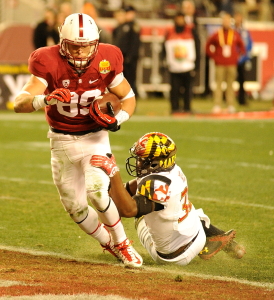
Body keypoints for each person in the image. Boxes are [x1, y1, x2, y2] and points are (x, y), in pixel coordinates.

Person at [13, 13, 142, 268]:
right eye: (75, 46)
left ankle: (123, 243)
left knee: (96, 191)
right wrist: (44, 100)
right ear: (62, 42)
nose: (82, 52)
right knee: (75, 208)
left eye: (86, 46)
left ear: (96, 42)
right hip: (61, 141)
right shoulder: (46, 59)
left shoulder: (108, 56)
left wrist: (119, 120)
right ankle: (108, 242)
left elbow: (128, 97)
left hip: (95, 137)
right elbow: (19, 103)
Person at [90, 132, 246, 265]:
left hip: (173, 257)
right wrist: (112, 184)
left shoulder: (156, 184)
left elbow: (127, 209)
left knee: (139, 215)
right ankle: (216, 240)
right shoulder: (173, 170)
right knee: (183, 210)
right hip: (196, 235)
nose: (138, 162)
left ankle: (120, 246)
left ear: (156, 162)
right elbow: (126, 190)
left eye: (142, 159)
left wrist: (113, 173)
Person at [206, 12, 246, 114]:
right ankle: (217, 105)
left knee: (230, 85)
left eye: (228, 21)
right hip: (219, 64)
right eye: (224, 21)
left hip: (231, 64)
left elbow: (242, 47)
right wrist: (214, 56)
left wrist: (237, 57)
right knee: (218, 85)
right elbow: (208, 46)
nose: (226, 23)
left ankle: (230, 105)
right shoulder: (217, 34)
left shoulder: (234, 34)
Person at [164, 13, 200, 114]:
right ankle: (175, 108)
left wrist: (196, 64)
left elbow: (197, 47)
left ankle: (187, 108)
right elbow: (164, 48)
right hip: (174, 66)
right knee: (174, 89)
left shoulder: (191, 31)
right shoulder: (170, 32)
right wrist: (166, 62)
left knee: (188, 90)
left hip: (188, 66)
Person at [112, 5, 140, 98]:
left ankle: (131, 100)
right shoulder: (119, 27)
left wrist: (130, 58)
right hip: (120, 58)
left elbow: (134, 44)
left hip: (129, 59)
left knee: (130, 81)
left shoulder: (133, 26)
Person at [234, 11, 253, 106]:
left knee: (242, 80)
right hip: (233, 58)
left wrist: (246, 56)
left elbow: (249, 44)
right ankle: (228, 99)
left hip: (242, 58)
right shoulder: (232, 31)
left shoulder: (245, 31)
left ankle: (242, 99)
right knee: (230, 79)